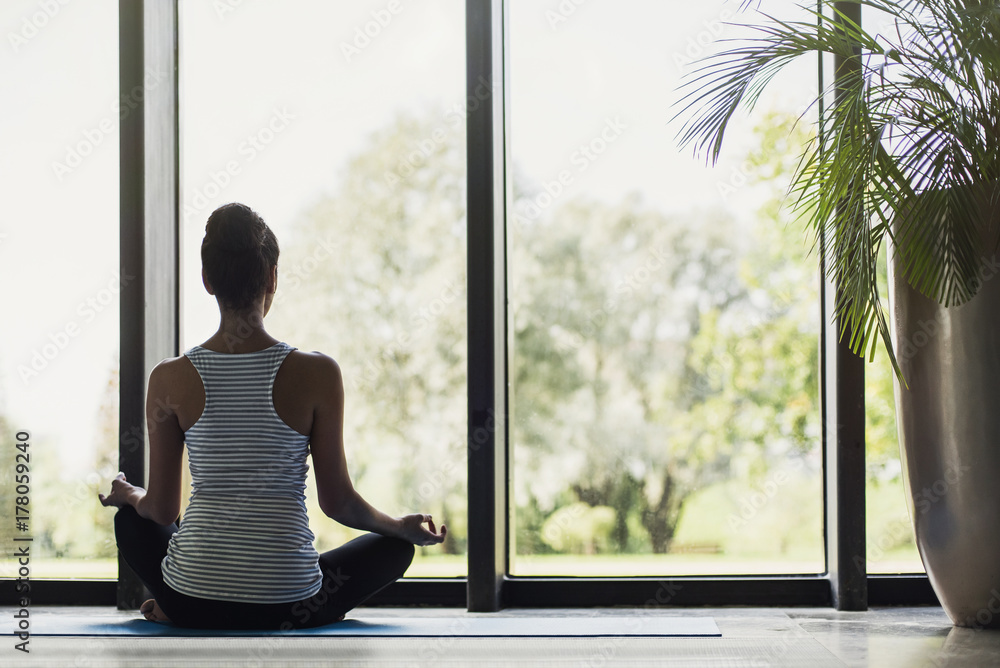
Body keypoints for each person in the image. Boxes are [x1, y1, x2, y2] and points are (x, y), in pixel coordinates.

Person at [98, 202, 446, 629]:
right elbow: (337, 502)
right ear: (273, 278)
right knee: (396, 548)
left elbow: (162, 509)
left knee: (130, 523)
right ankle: (276, 584)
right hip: (291, 607)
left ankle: (175, 606)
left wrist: (128, 493)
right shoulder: (319, 372)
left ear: (207, 281)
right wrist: (398, 525)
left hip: (192, 600)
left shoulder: (169, 377)